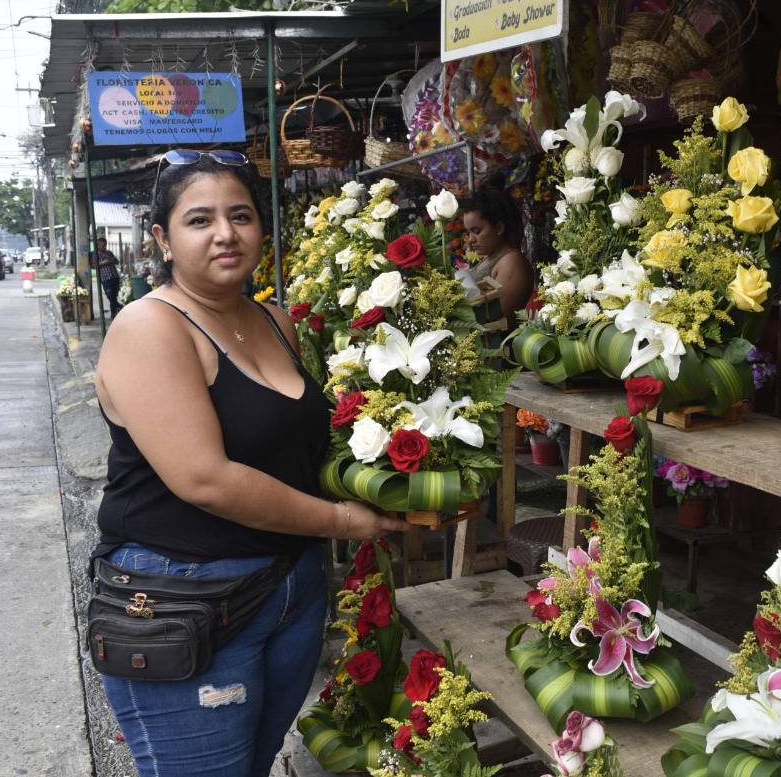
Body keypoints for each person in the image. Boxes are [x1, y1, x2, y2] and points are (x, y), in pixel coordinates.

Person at [92, 151, 408, 777]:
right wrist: (343, 522)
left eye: (240, 216)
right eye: (199, 220)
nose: (225, 233)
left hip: (289, 588)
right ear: (162, 239)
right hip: (188, 598)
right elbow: (205, 479)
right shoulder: (150, 327)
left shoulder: (273, 320)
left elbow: (294, 447)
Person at [460, 188, 535, 330]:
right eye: (468, 232)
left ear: (499, 228)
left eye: (476, 231)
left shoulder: (511, 263)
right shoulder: (491, 256)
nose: (470, 239)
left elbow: (495, 322)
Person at [94, 236, 123, 317]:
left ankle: (114, 313)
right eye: (102, 245)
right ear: (98, 245)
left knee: (114, 296)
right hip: (106, 278)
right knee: (110, 295)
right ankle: (118, 307)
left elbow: (116, 261)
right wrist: (105, 262)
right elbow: (94, 265)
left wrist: (112, 260)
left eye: (105, 245)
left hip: (114, 276)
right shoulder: (95, 255)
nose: (104, 247)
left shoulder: (109, 253)